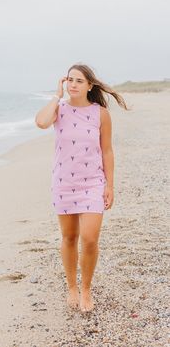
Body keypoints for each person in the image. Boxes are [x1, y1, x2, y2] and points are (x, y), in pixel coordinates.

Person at [35, 63, 128, 313]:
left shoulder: (101, 114)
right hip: (64, 183)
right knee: (69, 237)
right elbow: (41, 122)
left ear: (89, 85)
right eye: (70, 80)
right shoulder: (59, 109)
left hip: (92, 183)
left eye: (79, 81)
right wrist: (56, 95)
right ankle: (72, 287)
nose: (73, 85)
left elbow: (107, 150)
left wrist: (110, 185)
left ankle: (86, 288)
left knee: (89, 239)